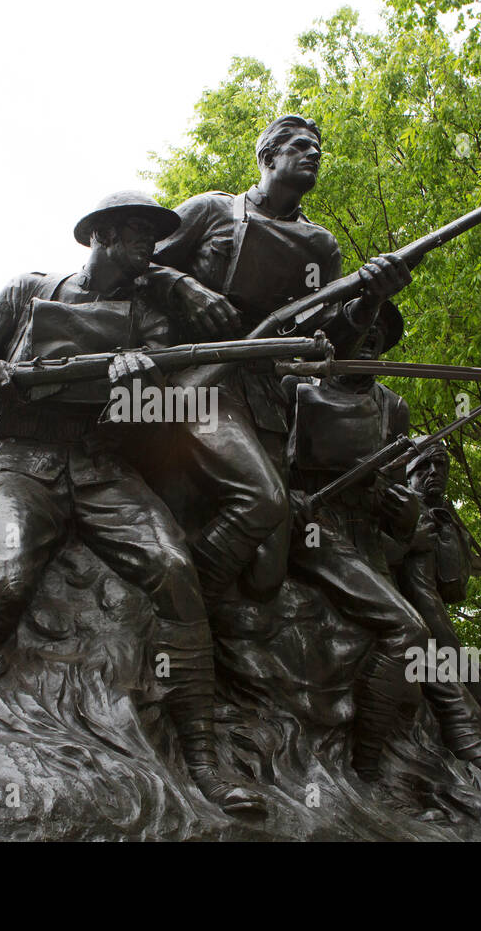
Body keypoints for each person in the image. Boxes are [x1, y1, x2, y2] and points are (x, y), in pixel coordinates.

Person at [0, 191, 263, 815]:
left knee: (176, 571)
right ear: (104, 237)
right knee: (3, 584)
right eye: (141, 237)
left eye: (153, 238)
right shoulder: (27, 290)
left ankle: (201, 757)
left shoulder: (149, 319)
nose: (153, 250)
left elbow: (163, 417)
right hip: (23, 462)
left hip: (100, 469)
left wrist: (138, 389)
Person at [144, 115, 415, 600]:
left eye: (318, 150)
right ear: (268, 157)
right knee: (262, 500)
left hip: (265, 397)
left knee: (268, 572)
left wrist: (371, 300)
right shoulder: (212, 211)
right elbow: (136, 265)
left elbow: (333, 345)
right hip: (197, 380)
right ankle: (177, 608)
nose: (314, 155)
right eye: (301, 146)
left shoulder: (322, 247)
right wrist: (185, 288)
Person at [282, 312, 481, 792]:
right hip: (315, 532)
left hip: (367, 541)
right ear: (337, 339)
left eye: (378, 340)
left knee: (436, 671)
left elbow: (391, 496)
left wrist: (405, 515)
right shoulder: (295, 389)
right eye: (362, 337)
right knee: (406, 630)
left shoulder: (393, 407)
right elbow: (262, 458)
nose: (371, 347)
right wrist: (288, 497)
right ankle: (366, 769)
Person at [402, 439, 481, 789]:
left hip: (440, 643)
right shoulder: (402, 514)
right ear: (406, 474)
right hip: (417, 647)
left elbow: (452, 590)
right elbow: (422, 599)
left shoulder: (445, 519)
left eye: (440, 466)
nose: (433, 473)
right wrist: (464, 665)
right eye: (423, 467)